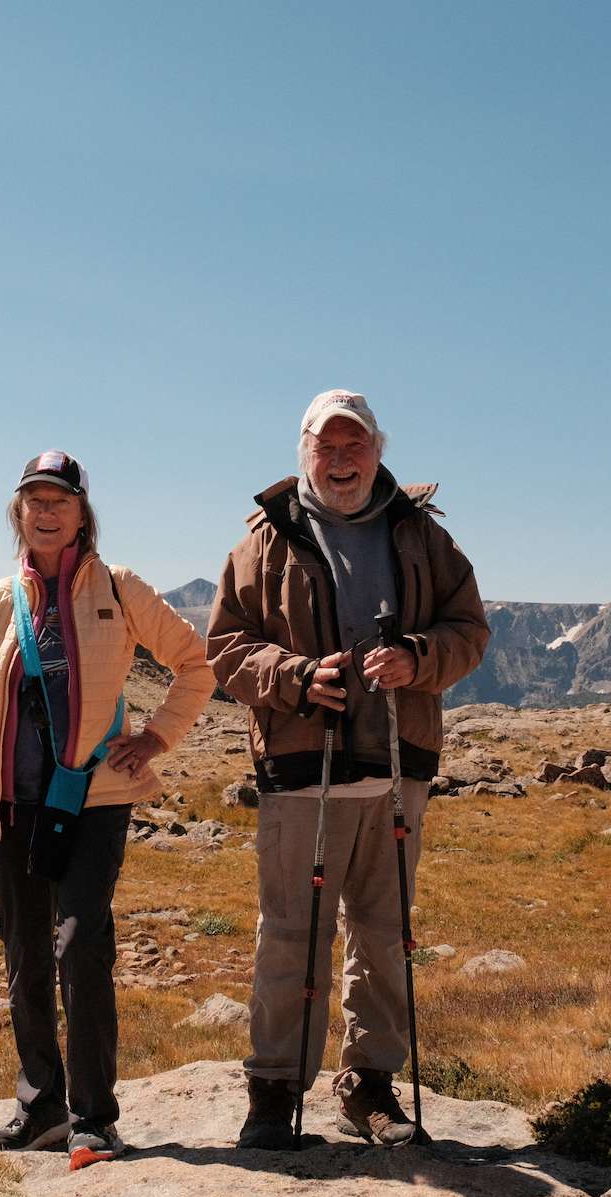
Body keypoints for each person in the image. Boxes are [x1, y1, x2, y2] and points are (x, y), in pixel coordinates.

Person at [207, 390, 489, 1149]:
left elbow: (470, 630)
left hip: (400, 768)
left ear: (378, 448)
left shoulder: (422, 536)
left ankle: (369, 1086)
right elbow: (226, 650)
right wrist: (295, 678)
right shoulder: (263, 543)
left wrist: (419, 658)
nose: (340, 460)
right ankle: (272, 1091)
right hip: (303, 770)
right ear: (303, 452)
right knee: (291, 932)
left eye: (354, 445)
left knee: (385, 932)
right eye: (326, 447)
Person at [0, 450, 216, 1169]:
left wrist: (156, 736)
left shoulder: (119, 589)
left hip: (93, 801)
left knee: (80, 947)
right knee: (25, 955)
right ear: (17, 512)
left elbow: (196, 663)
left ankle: (94, 1117)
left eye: (58, 500)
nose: (44, 510)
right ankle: (40, 1110)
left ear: (81, 513)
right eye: (33, 499)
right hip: (12, 806)